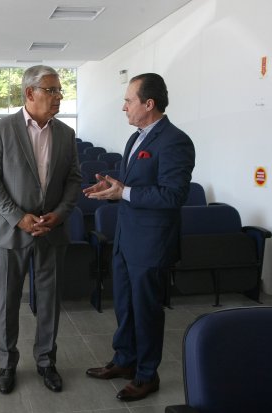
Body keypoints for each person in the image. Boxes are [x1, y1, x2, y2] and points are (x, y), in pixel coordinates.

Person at [83, 73, 195, 401]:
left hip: (151, 243)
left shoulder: (175, 140)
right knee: (125, 306)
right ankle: (124, 360)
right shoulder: (136, 138)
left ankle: (147, 375)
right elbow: (135, 185)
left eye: (129, 100)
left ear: (149, 104)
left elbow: (173, 195)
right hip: (125, 238)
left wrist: (126, 191)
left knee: (146, 310)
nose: (124, 107)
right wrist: (114, 186)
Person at [0, 65, 82, 395]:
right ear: (30, 93)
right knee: (7, 301)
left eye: (59, 91)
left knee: (50, 301)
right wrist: (17, 216)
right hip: (12, 233)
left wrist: (59, 214)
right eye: (51, 91)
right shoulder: (1, 129)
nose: (59, 97)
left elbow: (73, 180)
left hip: (51, 232)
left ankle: (45, 361)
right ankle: (7, 362)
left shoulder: (66, 134)